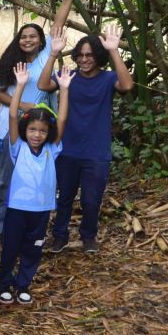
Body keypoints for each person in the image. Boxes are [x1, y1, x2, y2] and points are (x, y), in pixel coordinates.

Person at [0, 0, 76, 235]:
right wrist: (21, 103)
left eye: (33, 36)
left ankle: (26, 221)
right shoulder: (8, 61)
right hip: (9, 127)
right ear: (18, 40)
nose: (28, 40)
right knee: (5, 178)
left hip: (39, 128)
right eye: (23, 37)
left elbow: (59, 23)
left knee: (34, 177)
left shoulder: (47, 55)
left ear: (41, 41)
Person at [37, 24, 133, 254]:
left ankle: (88, 236)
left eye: (89, 55)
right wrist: (52, 53)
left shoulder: (109, 79)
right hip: (67, 148)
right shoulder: (67, 77)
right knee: (64, 198)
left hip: (96, 151)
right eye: (80, 55)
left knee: (91, 200)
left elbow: (127, 85)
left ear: (98, 56)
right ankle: (59, 236)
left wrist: (114, 50)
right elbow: (43, 85)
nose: (84, 59)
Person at [0, 61, 73, 305]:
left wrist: (64, 89)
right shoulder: (18, 148)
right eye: (32, 130)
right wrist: (19, 86)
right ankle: (3, 283)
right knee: (10, 247)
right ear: (24, 130)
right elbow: (11, 113)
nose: (37, 135)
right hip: (18, 209)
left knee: (33, 248)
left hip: (41, 210)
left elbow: (61, 120)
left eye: (41, 131)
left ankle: (23, 284)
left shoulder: (52, 148)